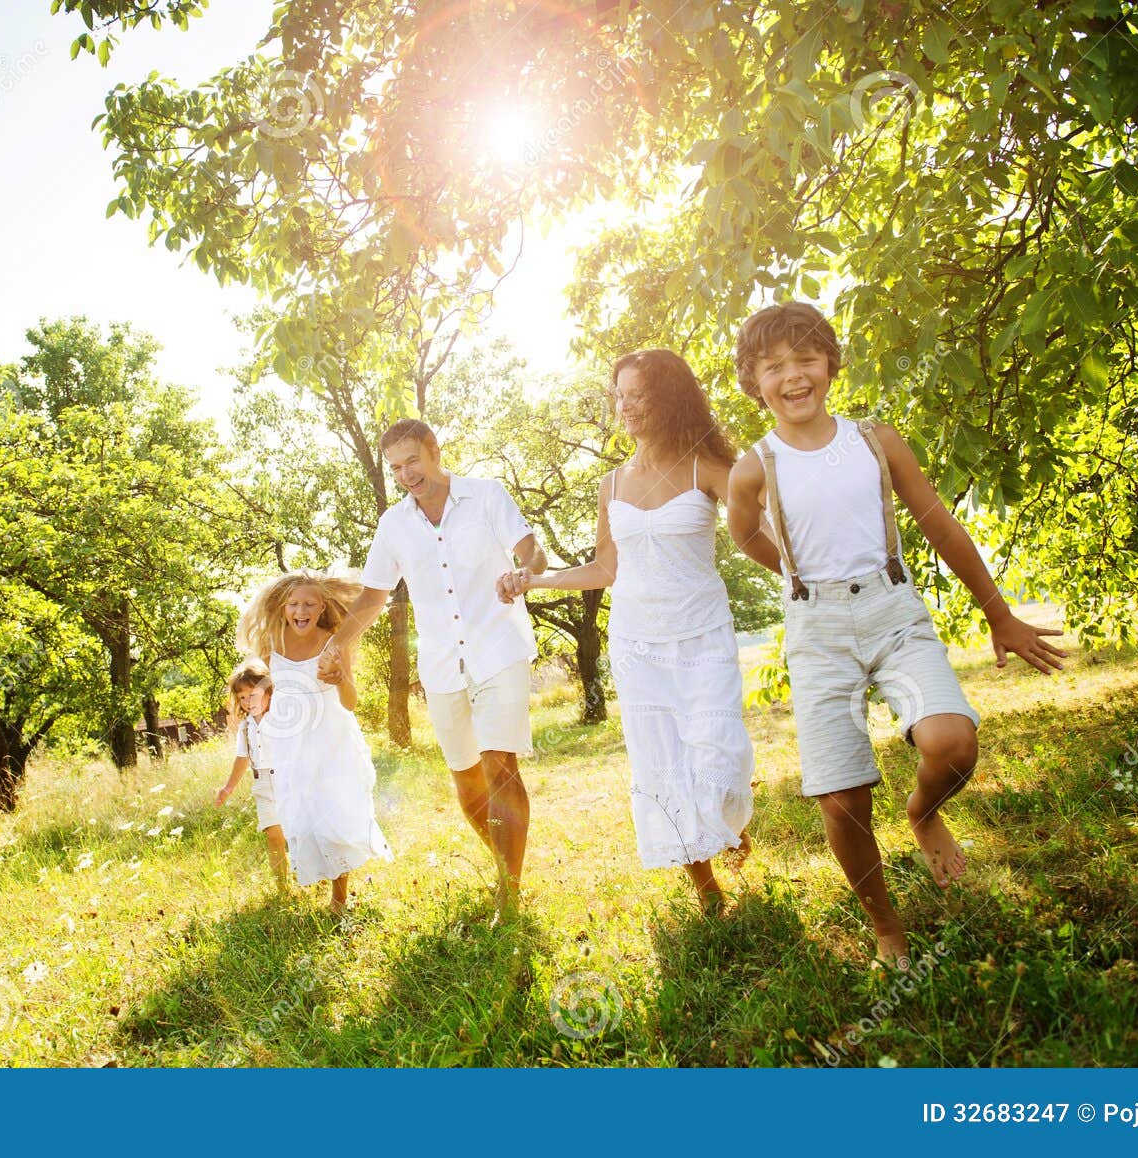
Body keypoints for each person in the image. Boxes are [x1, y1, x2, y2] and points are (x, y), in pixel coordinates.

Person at [724, 302, 1067, 967]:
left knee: (953, 743)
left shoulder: (877, 441)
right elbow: (743, 534)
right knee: (841, 801)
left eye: (806, 359)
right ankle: (887, 928)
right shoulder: (752, 468)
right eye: (774, 367)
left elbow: (941, 527)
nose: (793, 377)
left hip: (892, 611)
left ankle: (922, 811)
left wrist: (1000, 613)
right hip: (817, 631)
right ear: (752, 380)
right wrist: (795, 574)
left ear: (830, 363)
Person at [498, 349, 755, 915]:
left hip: (702, 634)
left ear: (670, 396)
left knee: (720, 757)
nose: (626, 405)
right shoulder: (611, 484)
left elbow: (760, 532)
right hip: (638, 642)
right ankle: (707, 887)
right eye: (620, 394)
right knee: (664, 763)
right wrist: (534, 581)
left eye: (638, 393)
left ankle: (730, 826)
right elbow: (606, 570)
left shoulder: (705, 466)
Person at [319, 419, 546, 915]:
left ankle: (509, 899)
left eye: (412, 462)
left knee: (499, 766)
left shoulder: (486, 496)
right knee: (467, 783)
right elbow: (375, 594)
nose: (405, 474)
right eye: (396, 467)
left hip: (499, 648)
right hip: (443, 665)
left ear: (434, 451)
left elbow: (531, 548)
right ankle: (509, 873)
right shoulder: (393, 525)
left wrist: (524, 570)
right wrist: (339, 644)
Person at [237, 570, 392, 916]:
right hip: (292, 744)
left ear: (322, 607)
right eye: (293, 603)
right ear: (284, 608)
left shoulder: (334, 642)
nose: (300, 609)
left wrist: (339, 680)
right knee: (303, 816)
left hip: (332, 741)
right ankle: (320, 870)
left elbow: (351, 702)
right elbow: (265, 690)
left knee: (334, 814)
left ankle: (339, 898)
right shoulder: (272, 643)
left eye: (309, 603)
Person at [214, 659, 289, 893]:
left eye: (253, 695)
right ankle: (282, 887)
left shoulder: (281, 718)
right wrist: (228, 788)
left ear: (268, 692)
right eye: (242, 697)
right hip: (263, 784)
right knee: (274, 835)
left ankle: (310, 875)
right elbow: (242, 759)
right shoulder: (245, 728)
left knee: (297, 833)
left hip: (288, 780)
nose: (248, 702)